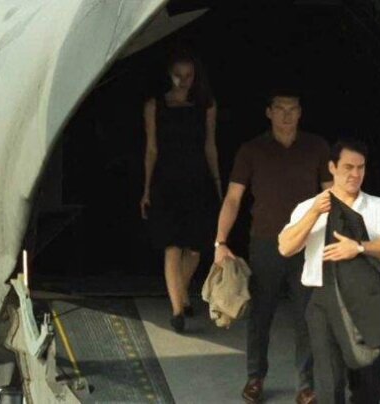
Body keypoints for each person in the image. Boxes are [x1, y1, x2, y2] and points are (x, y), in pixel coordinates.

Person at [214, 90, 331, 404]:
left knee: (307, 316)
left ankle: (306, 386)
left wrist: (338, 239)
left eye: (292, 108)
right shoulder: (252, 150)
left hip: (307, 243)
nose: (286, 115)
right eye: (280, 108)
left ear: (300, 112)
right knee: (260, 314)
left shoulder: (317, 147)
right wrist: (220, 241)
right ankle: (255, 378)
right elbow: (234, 198)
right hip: (266, 243)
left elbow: (331, 195)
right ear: (269, 112)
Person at [278, 139, 380, 404]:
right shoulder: (309, 206)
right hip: (321, 301)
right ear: (332, 168)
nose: (355, 174)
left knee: (370, 387)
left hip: (364, 300)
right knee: (329, 383)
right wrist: (315, 213)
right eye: (348, 167)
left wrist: (358, 247)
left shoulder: (377, 206)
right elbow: (285, 247)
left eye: (361, 167)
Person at [140, 50, 222, 333]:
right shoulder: (155, 105)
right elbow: (151, 148)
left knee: (196, 247)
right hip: (166, 180)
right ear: (170, 75)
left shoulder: (206, 105)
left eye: (188, 75)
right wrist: (146, 188)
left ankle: (181, 293)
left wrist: (217, 181)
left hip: (197, 178)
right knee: (172, 245)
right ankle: (177, 309)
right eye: (178, 75)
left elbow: (210, 145)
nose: (184, 80)